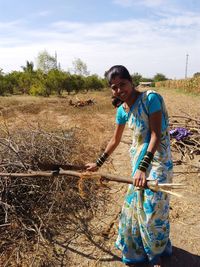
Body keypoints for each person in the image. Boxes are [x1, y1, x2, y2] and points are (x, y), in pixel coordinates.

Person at [86, 65, 173, 267]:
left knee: (153, 209)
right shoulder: (122, 110)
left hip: (158, 160)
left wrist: (143, 168)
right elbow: (114, 140)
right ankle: (142, 251)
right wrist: (97, 164)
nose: (119, 90)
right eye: (114, 87)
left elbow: (155, 135)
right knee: (133, 209)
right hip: (139, 163)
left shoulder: (150, 99)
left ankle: (155, 252)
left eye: (122, 84)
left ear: (131, 81)